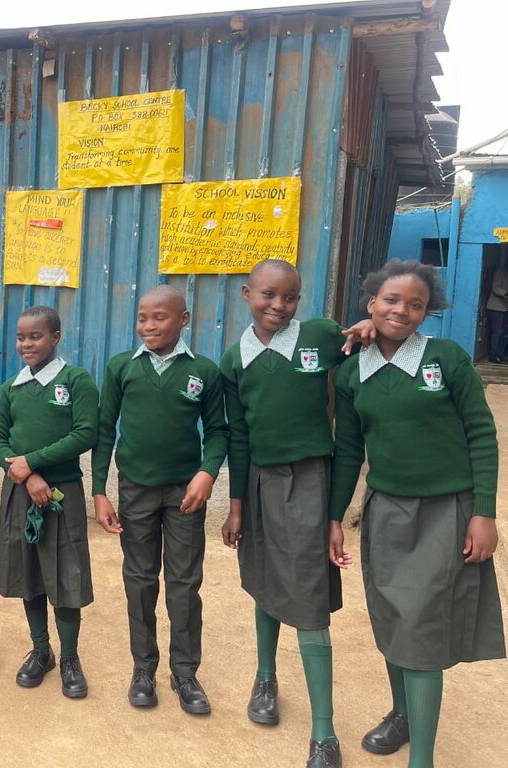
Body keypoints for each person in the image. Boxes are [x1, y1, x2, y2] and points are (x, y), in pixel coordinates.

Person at [330, 259, 505, 768]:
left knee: (423, 628)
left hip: (445, 513)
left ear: (428, 312)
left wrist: (483, 512)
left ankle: (421, 759)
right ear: (370, 304)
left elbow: (480, 434)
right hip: (386, 511)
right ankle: (402, 714)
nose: (401, 311)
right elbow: (347, 451)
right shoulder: (351, 373)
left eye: (415, 304)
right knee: (393, 617)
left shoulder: (446, 359)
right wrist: (334, 517)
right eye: (390, 300)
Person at [219, 259, 373, 768]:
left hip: (311, 478)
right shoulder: (234, 358)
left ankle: (324, 731)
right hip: (260, 481)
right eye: (268, 295)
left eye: (290, 298)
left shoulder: (321, 336)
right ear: (247, 294)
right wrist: (237, 504)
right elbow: (238, 435)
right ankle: (266, 679)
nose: (278, 307)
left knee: (306, 596)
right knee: (264, 579)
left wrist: (368, 328)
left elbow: (362, 342)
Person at [92, 285, 228, 714]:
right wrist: (99, 491)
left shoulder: (204, 372)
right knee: (140, 578)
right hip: (135, 489)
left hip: (185, 494)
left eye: (160, 318)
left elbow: (219, 431)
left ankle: (185, 672)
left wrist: (208, 473)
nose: (149, 326)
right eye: (142, 318)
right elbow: (102, 431)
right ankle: (143, 668)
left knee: (185, 583)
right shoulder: (121, 368)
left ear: (183, 320)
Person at [0, 305, 99, 699]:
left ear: (56, 337)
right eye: (20, 337)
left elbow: (86, 433)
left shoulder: (76, 380)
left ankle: (70, 657)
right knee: (28, 572)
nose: (26, 344)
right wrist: (28, 475)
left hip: (62, 495)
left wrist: (35, 462)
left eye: (35, 336)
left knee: (65, 575)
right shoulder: (10, 388)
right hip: (21, 493)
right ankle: (41, 651)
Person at [484, 255, 508, 363]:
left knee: (503, 333)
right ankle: (493, 355)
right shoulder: (500, 272)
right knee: (497, 332)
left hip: (505, 308)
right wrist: (506, 293)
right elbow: (495, 288)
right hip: (496, 307)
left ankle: (500, 355)